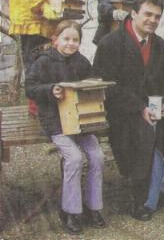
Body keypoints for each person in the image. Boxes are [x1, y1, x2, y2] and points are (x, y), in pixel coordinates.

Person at [93, 0, 164, 221]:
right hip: (122, 110)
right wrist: (139, 108)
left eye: (157, 17)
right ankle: (142, 199)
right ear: (133, 13)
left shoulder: (158, 44)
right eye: (148, 14)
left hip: (154, 106)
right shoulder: (111, 43)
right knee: (144, 133)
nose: (153, 20)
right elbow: (104, 86)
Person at [25, 21, 105, 235]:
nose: (71, 43)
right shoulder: (43, 61)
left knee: (97, 155)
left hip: (80, 121)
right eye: (66, 39)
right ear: (55, 40)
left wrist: (94, 88)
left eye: (75, 39)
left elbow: (91, 82)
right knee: (75, 158)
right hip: (54, 120)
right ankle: (70, 211)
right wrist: (51, 90)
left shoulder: (82, 62)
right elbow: (30, 88)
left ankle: (93, 206)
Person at [8, 0, 65, 116]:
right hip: (30, 22)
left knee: (50, 61)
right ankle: (34, 103)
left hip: (50, 24)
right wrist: (43, 5)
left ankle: (50, 100)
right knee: (33, 62)